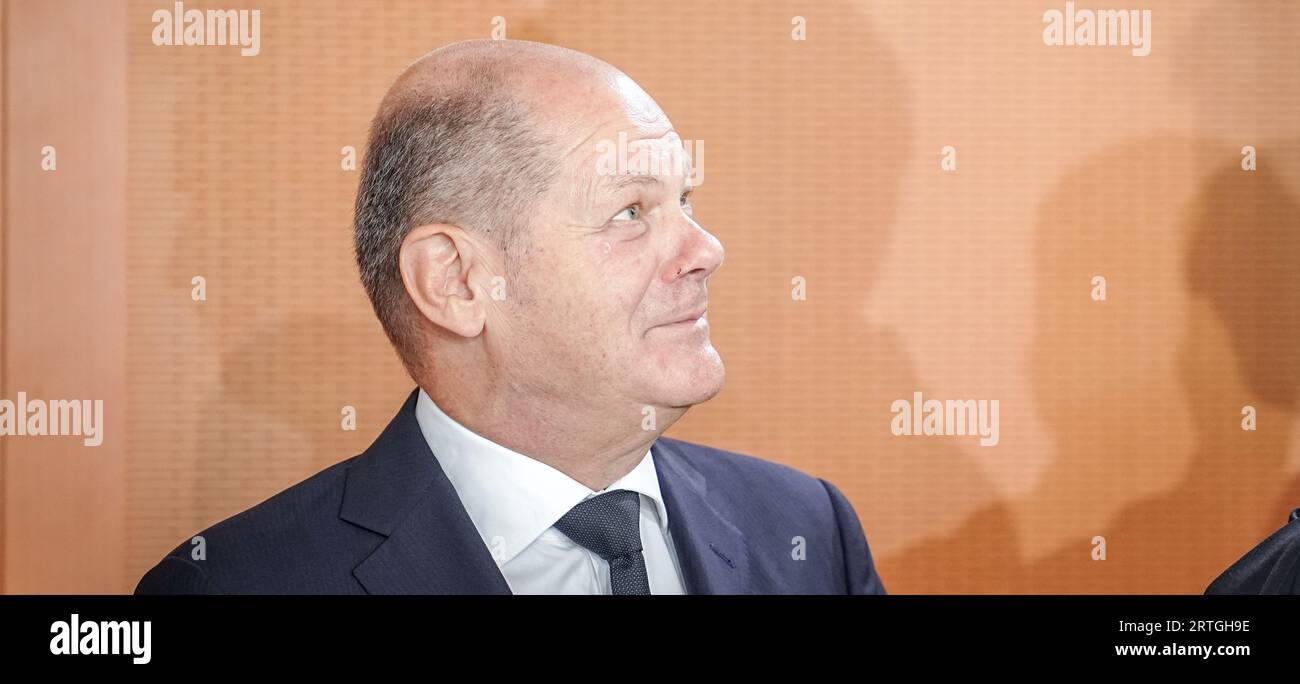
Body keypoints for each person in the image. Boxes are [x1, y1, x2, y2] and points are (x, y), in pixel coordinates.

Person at [135, 38, 886, 594]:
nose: (706, 249)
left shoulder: (806, 529)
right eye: (631, 212)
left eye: (683, 203)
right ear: (457, 281)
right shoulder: (237, 585)